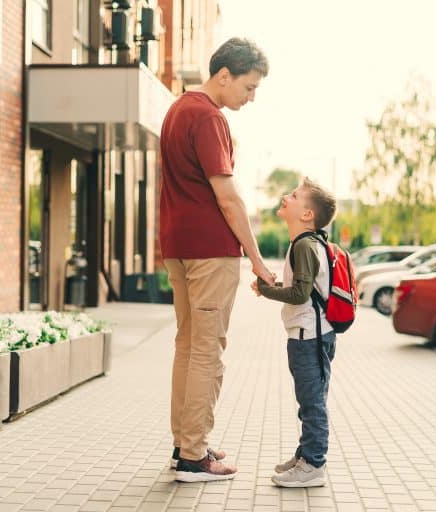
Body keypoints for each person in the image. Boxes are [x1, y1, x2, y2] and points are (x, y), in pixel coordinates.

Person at [159, 37, 274, 483]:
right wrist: (258, 260)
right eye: (249, 87)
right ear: (224, 76)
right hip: (210, 253)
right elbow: (228, 197)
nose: (251, 97)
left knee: (188, 349)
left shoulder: (176, 110)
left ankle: (185, 443)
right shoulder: (208, 117)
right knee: (207, 353)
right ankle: (194, 457)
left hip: (179, 249)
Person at [252, 178, 337, 488]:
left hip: (309, 336)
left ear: (307, 215)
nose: (286, 197)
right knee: (310, 399)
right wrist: (272, 289)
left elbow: (300, 294)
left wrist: (266, 289)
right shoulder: (309, 242)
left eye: (294, 195)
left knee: (312, 402)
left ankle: (313, 465)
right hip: (313, 334)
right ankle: (306, 455)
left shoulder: (304, 244)